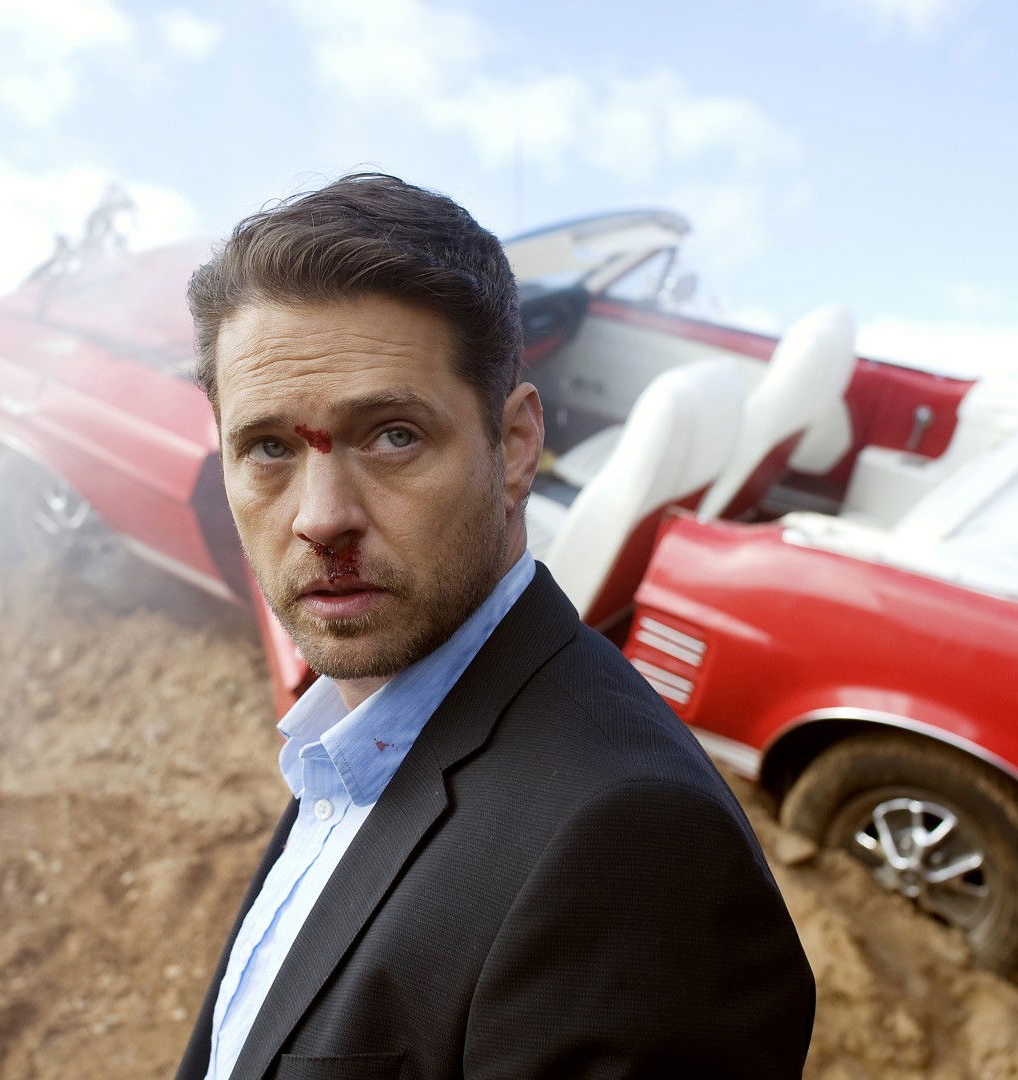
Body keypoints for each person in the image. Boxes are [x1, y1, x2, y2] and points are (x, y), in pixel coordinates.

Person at [175, 172, 815, 1080]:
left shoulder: (629, 849)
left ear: (515, 446)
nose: (321, 517)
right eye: (269, 447)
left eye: (392, 435)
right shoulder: (350, 743)